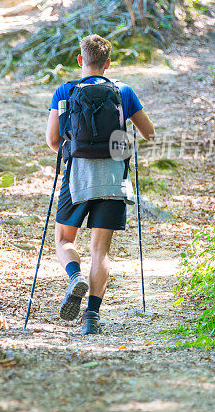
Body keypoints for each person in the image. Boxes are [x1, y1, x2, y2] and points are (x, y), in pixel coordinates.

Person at [45, 34, 155, 335]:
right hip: (113, 178)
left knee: (64, 240)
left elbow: (53, 140)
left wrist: (77, 150)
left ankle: (74, 277)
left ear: (81, 60)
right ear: (108, 64)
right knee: (100, 251)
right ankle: (92, 317)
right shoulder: (123, 91)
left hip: (77, 176)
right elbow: (149, 132)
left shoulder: (64, 92)